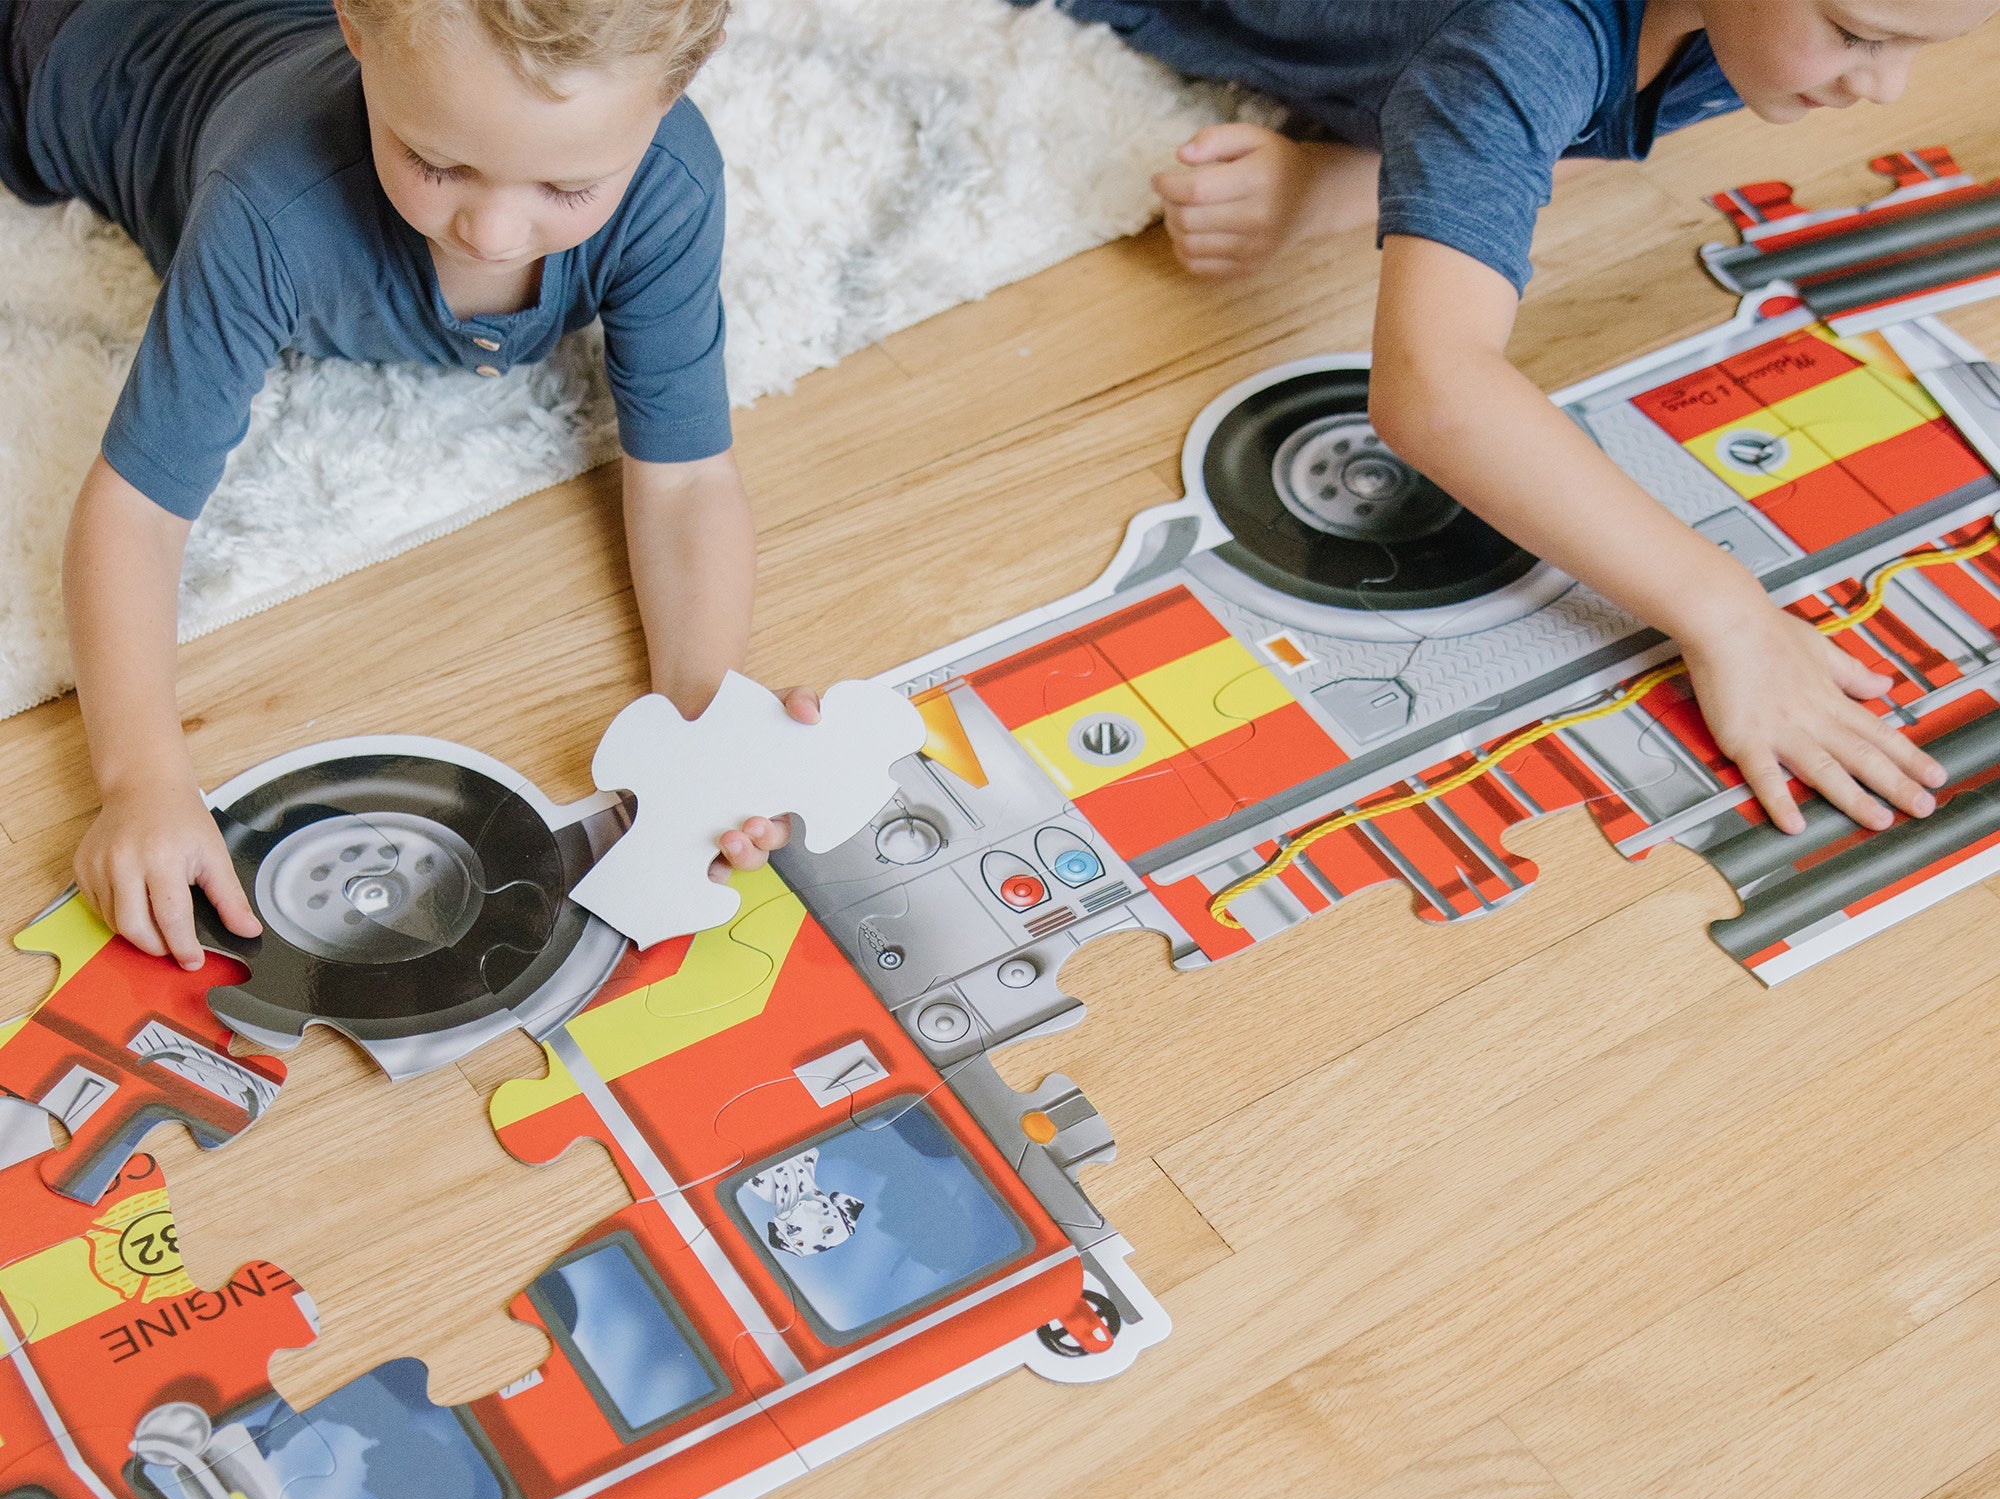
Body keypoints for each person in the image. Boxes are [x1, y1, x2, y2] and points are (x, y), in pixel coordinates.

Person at [1022, 0, 1999, 838]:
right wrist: (1727, 616)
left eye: (1922, 45)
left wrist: (1330, 188)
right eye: (1854, 33)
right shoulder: (1524, 33)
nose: (1884, 87)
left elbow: (1562, 126)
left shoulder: (1726, 28)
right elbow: (1430, 389)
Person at [0, 0, 806, 972]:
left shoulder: (669, 180)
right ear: (355, 25)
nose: (497, 231)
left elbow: (685, 485)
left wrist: (703, 712)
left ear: (681, 80)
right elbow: (135, 513)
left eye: (567, 184)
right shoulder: (268, 205)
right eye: (437, 163)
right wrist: (139, 780)